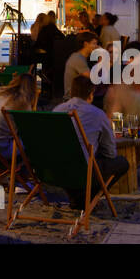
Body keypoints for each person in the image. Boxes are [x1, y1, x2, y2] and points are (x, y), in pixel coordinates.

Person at [54, 75, 129, 208]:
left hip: (55, 170)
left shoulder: (57, 110)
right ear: (91, 93)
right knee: (122, 163)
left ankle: (77, 196)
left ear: (72, 92)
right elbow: (111, 153)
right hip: (81, 171)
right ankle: (86, 199)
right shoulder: (97, 114)